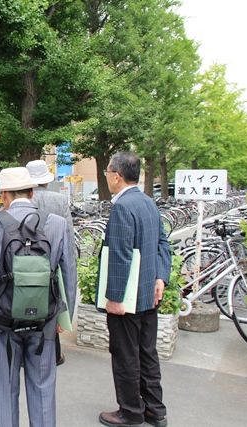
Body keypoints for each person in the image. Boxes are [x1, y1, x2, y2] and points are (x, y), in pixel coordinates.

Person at [0, 167, 77, 427]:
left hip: (1, 320)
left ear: (4, 194)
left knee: (4, 389)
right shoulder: (57, 224)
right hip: (44, 320)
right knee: (43, 388)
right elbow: (69, 273)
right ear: (31, 192)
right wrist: (65, 317)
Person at [98, 152, 171, 427]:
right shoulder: (148, 202)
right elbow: (164, 243)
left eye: (107, 171)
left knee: (126, 354)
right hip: (149, 293)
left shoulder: (122, 207)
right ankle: (155, 409)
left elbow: (120, 255)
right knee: (147, 352)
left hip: (127, 298)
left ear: (116, 176)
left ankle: (130, 411)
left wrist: (114, 298)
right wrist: (160, 278)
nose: (107, 176)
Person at [26, 159, 75, 367]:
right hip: (53, 261)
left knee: (27, 306)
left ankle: (26, 353)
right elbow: (69, 239)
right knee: (52, 305)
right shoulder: (60, 200)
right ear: (47, 180)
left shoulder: (21, 199)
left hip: (26, 263)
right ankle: (53, 353)